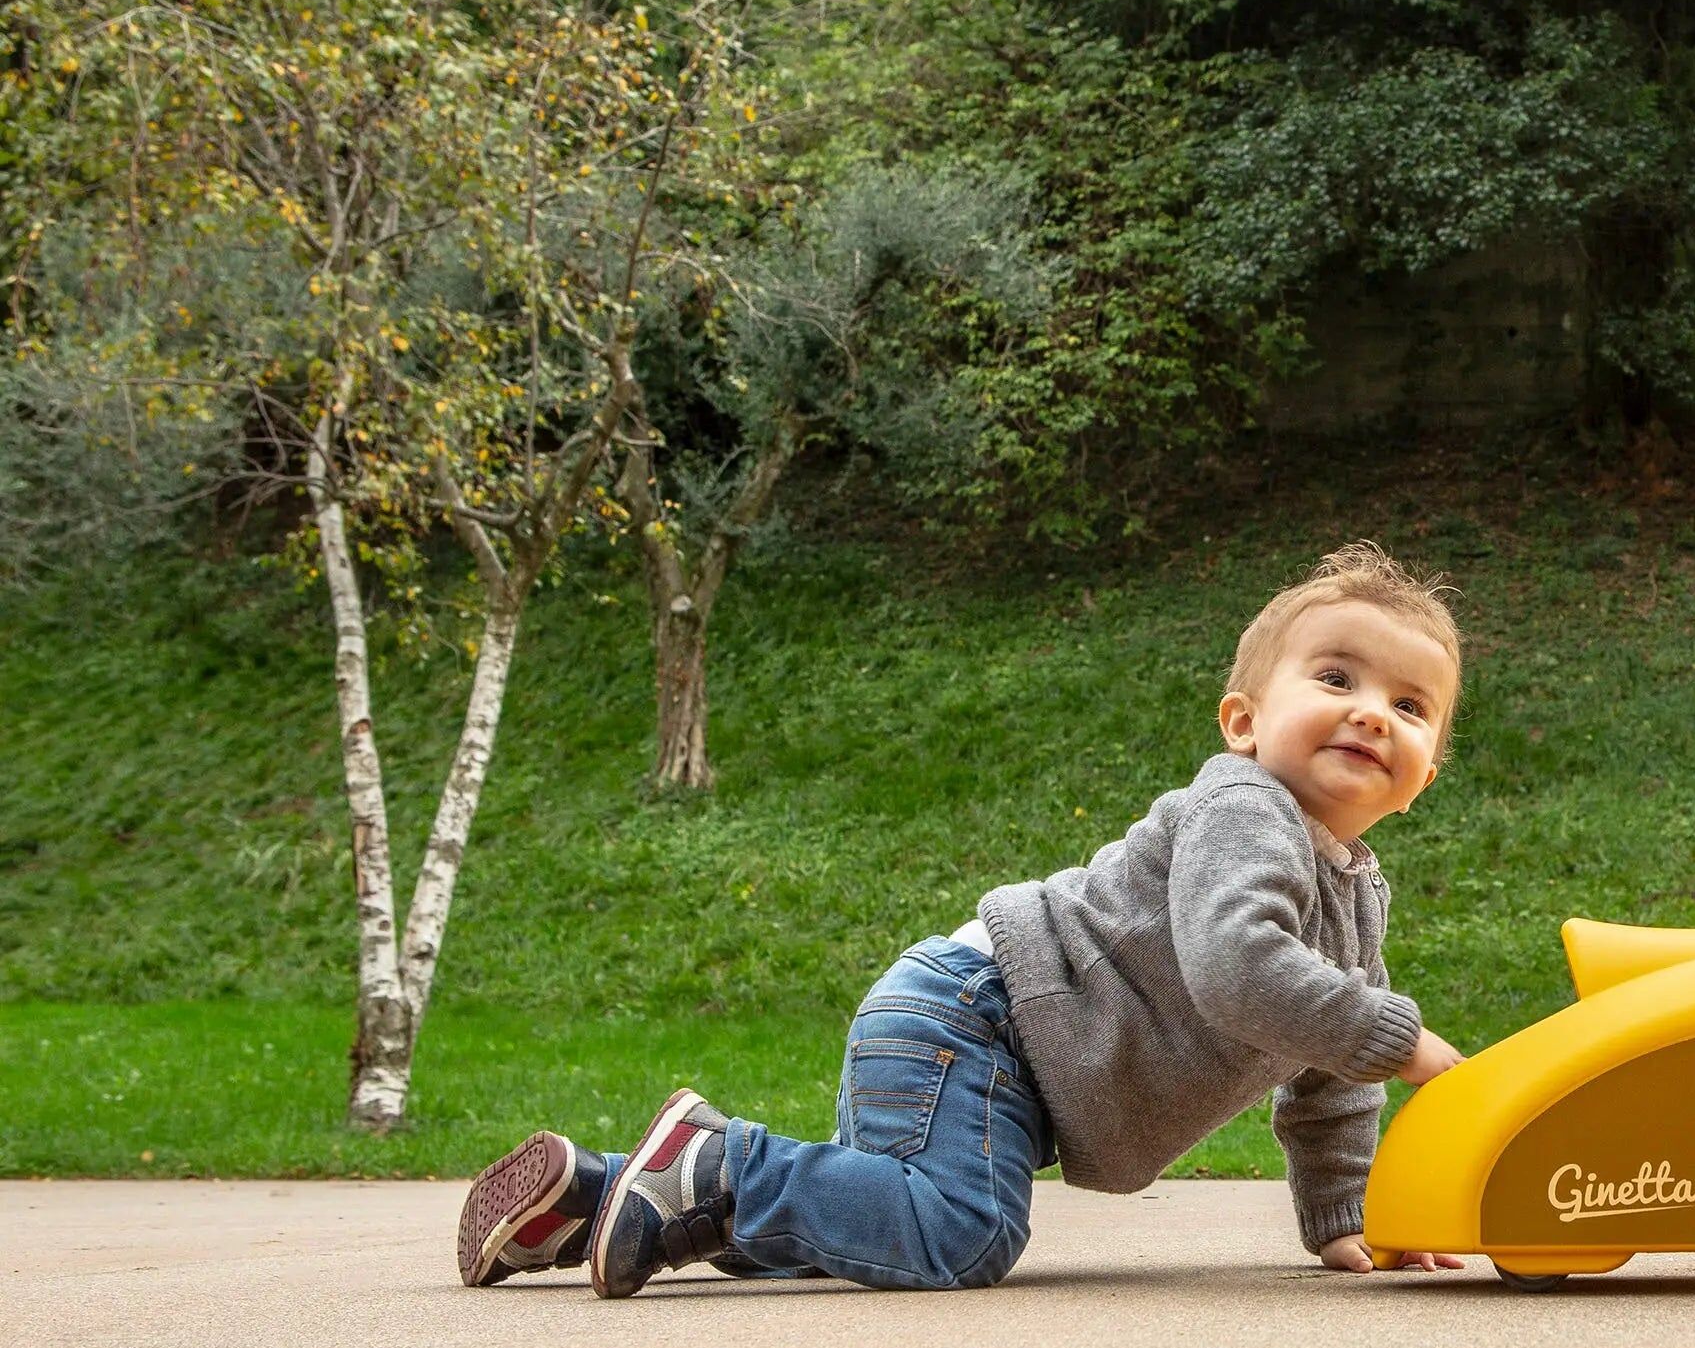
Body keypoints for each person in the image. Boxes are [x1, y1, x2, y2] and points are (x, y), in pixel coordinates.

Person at [454, 540, 1470, 1297]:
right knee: (957, 1232)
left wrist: (1344, 1216)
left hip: (994, 1051)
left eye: (1411, 705)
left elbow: (1325, 1072)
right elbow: (1238, 964)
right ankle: (716, 1165)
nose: (1373, 710)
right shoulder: (1246, 809)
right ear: (1244, 722)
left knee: (859, 1228)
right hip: (977, 1021)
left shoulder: (1354, 894)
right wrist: (1402, 1039)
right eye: (1335, 678)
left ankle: (589, 1202)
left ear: (1424, 776)